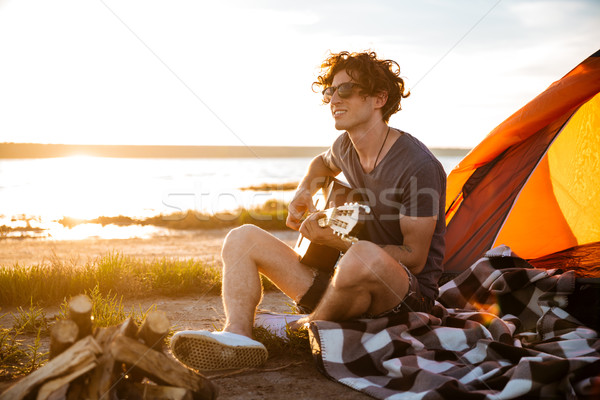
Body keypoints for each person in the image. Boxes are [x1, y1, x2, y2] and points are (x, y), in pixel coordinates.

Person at [170, 51, 446, 371]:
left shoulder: (418, 165)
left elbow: (414, 256)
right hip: (340, 286)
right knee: (242, 236)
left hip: (404, 298)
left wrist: (339, 243)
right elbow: (321, 164)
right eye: (330, 91)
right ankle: (238, 336)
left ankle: (305, 329)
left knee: (361, 257)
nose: (333, 99)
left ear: (379, 98)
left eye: (345, 90)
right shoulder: (345, 145)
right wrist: (305, 190)